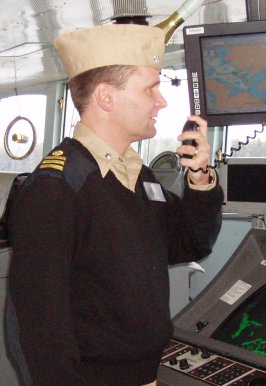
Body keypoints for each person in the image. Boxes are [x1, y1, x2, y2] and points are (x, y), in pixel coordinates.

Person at [5, 23, 223, 386]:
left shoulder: (138, 176)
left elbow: (189, 244)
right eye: (151, 88)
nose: (162, 101)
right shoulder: (57, 187)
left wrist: (200, 178)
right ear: (107, 97)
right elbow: (37, 327)